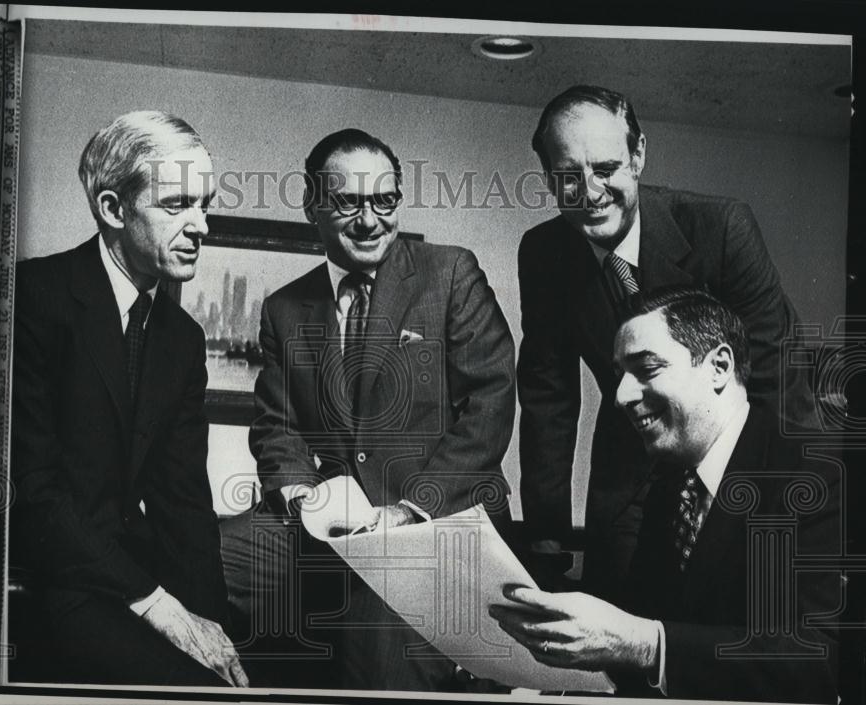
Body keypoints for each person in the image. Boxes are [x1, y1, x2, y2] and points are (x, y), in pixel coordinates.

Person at [220, 128, 515, 690]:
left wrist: (410, 509)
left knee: (376, 647)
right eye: (349, 202)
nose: (369, 219)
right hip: (327, 529)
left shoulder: (451, 274)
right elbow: (276, 427)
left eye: (384, 200)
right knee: (199, 559)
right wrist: (299, 492)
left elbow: (490, 404)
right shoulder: (285, 309)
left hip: (434, 526)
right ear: (313, 206)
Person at [516, 84, 818, 591]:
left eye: (606, 169)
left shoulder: (722, 228)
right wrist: (545, 532)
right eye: (569, 177)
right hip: (627, 467)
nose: (589, 194)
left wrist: (784, 503)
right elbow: (549, 396)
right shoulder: (543, 253)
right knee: (614, 617)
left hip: (727, 458)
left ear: (638, 156)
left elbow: (779, 381)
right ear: (548, 178)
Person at [491, 287, 839, 703]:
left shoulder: (814, 474)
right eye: (620, 374)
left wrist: (646, 643)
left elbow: (817, 660)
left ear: (719, 367)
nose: (620, 396)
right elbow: (640, 622)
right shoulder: (670, 483)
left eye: (647, 369)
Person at [10, 110, 247, 687]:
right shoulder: (31, 298)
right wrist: (160, 607)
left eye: (205, 204)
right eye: (176, 205)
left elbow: (184, 502)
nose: (201, 227)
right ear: (113, 209)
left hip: (137, 569)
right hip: (54, 575)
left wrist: (211, 627)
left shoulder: (184, 339)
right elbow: (37, 495)